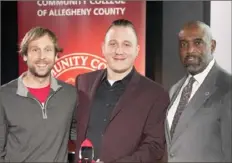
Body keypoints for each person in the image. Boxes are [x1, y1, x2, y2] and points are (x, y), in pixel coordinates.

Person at [75, 19, 170, 163]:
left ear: (137, 50)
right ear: (103, 48)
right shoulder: (83, 82)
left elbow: (154, 147)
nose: (119, 51)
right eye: (113, 44)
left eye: (126, 44)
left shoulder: (156, 94)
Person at [0, 27, 77, 162]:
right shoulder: (4, 96)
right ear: (25, 55)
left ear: (55, 55)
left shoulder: (70, 94)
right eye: (35, 50)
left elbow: (80, 135)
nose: (42, 56)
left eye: (47, 50)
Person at [165, 21, 231, 162]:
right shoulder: (175, 89)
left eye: (198, 43)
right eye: (183, 44)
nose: (190, 50)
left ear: (212, 46)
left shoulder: (227, 87)